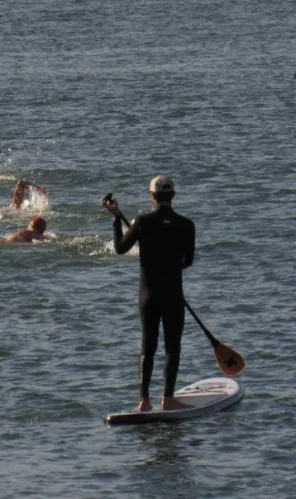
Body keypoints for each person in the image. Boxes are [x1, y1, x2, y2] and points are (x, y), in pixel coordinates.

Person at [103, 176, 195, 413]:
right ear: (173, 196)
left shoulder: (143, 221)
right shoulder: (187, 224)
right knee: (172, 347)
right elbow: (188, 261)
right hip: (174, 295)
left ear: (152, 195)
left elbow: (120, 248)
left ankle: (144, 401)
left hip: (149, 296)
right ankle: (169, 398)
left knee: (148, 346)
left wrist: (116, 218)